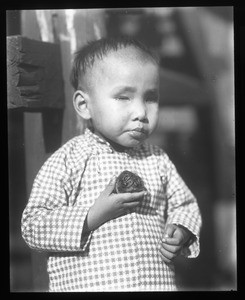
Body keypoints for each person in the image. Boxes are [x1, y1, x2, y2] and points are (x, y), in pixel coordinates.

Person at [21, 36, 202, 292]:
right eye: (123, 97)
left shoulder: (157, 159)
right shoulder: (71, 159)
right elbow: (33, 226)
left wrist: (180, 230)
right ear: (85, 105)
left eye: (150, 97)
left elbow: (185, 204)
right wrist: (91, 216)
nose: (141, 112)